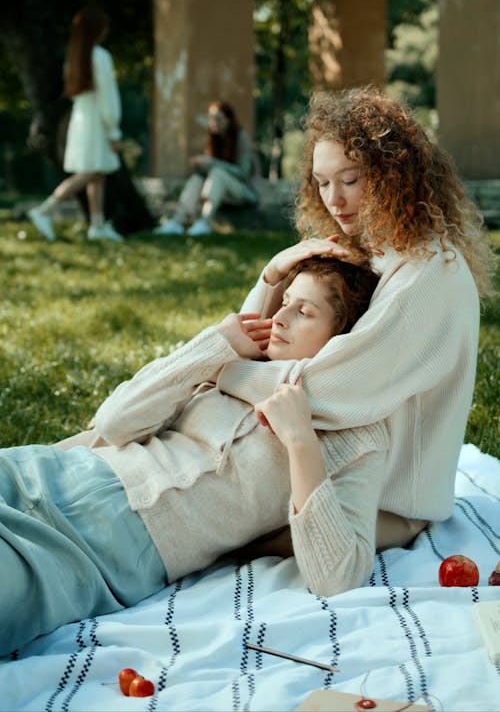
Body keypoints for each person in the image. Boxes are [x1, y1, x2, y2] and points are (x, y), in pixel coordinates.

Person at [0, 255, 385, 656]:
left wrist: (300, 440)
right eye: (284, 300)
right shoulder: (239, 364)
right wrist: (213, 345)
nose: (281, 317)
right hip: (50, 473)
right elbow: (114, 423)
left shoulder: (354, 434)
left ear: (344, 341)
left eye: (303, 311)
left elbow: (338, 575)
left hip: (102, 550)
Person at [215, 85, 496, 559]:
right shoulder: (375, 248)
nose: (334, 200)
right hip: (343, 467)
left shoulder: (429, 274)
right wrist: (272, 276)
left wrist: (219, 369)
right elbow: (259, 339)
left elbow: (330, 388)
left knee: (203, 529)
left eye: (350, 179)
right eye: (322, 183)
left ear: (394, 176)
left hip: (386, 502)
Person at [28, 7, 124, 243]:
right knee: (93, 170)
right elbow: (107, 97)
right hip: (95, 118)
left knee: (97, 172)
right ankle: (45, 209)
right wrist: (114, 129)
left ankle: (97, 224)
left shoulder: (74, 57)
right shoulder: (99, 56)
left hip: (81, 116)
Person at [154, 100, 259, 236]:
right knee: (198, 177)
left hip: (245, 193)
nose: (213, 122)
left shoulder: (241, 138)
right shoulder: (214, 138)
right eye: (211, 118)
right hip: (221, 191)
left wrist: (211, 162)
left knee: (217, 173)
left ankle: (204, 222)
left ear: (228, 120)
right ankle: (176, 222)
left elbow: (243, 173)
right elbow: (211, 168)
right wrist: (202, 165)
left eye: (218, 118)